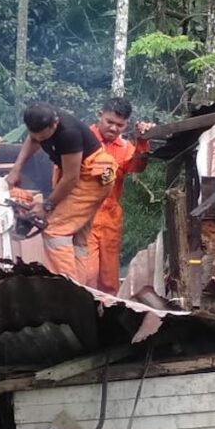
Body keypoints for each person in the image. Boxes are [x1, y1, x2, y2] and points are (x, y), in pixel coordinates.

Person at [6, 103, 117, 283]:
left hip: (91, 178)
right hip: (80, 174)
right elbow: (34, 139)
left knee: (55, 231)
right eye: (36, 135)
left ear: (55, 123)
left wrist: (47, 206)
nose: (40, 139)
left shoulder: (68, 133)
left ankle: (67, 290)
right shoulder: (40, 126)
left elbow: (71, 178)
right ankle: (84, 289)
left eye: (44, 136)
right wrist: (16, 169)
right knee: (78, 238)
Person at [86, 97, 154, 294]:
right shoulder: (83, 139)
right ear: (99, 115)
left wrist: (142, 141)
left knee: (109, 280)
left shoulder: (125, 148)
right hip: (84, 216)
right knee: (88, 274)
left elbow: (137, 167)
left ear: (126, 124)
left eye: (120, 125)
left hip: (110, 218)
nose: (114, 128)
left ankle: (108, 319)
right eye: (110, 122)